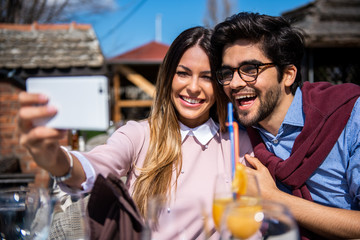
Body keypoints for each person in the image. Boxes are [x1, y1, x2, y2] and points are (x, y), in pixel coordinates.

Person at [18, 26, 253, 239]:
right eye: (183, 73)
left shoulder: (236, 143)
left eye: (207, 77)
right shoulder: (139, 135)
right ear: (168, 77)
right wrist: (57, 160)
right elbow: (95, 167)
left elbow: (253, 222)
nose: (192, 87)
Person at [211, 12, 360, 239]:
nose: (235, 83)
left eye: (250, 69)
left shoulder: (348, 116)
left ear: (288, 74)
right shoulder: (236, 138)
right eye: (227, 72)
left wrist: (274, 198)